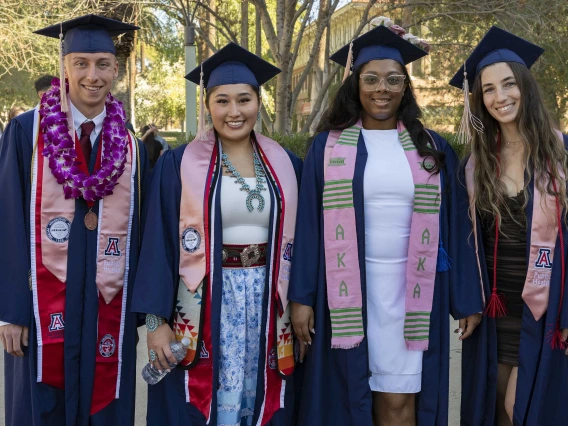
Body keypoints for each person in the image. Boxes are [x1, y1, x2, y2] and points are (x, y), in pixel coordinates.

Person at [287, 17, 483, 426]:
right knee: (349, 397)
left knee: (400, 400)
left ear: (404, 87)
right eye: (372, 79)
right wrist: (302, 297)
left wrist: (465, 300)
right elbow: (307, 228)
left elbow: (456, 226)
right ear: (356, 85)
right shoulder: (328, 147)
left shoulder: (431, 147)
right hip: (348, 290)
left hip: (413, 292)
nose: (382, 89)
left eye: (393, 80)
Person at [131, 42, 302, 426]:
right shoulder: (179, 163)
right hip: (205, 300)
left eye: (244, 99)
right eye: (222, 101)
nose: (234, 111)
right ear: (208, 105)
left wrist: (302, 301)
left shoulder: (286, 164)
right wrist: (157, 324)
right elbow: (158, 243)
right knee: (205, 400)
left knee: (262, 399)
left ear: (259, 102)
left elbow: (304, 241)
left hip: (267, 299)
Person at [0, 14, 148, 426]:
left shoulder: (132, 146)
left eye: (102, 64)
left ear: (115, 70)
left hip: (107, 306)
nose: (92, 76)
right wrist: (10, 311)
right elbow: (7, 221)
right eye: (81, 63)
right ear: (63, 67)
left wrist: (141, 314)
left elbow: (145, 233)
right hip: (38, 307)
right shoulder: (25, 133)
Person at [449, 27, 568, 426]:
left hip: (546, 308)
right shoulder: (475, 164)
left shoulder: (561, 154)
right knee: (496, 410)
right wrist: (467, 301)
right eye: (488, 90)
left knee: (524, 409)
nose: (500, 97)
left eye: (509, 84)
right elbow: (464, 240)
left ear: (525, 87)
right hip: (495, 309)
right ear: (479, 100)